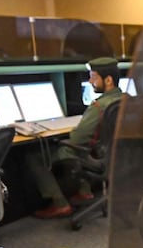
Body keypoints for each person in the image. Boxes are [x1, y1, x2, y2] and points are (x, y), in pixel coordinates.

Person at [27, 57, 122, 219]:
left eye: (94, 76)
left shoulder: (99, 106)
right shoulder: (125, 99)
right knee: (85, 147)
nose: (90, 81)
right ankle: (85, 192)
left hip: (98, 156)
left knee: (35, 156)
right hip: (114, 155)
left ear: (108, 80)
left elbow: (77, 139)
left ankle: (60, 204)